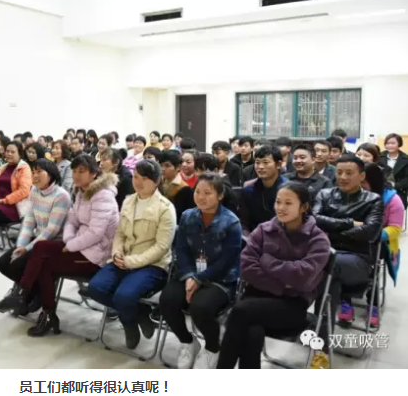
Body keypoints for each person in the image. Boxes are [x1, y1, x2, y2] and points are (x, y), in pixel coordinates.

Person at [0, 157, 119, 336]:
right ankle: (40, 309)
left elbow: (96, 233)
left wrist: (71, 245)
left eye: (81, 171)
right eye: (74, 171)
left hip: (96, 256)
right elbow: (72, 221)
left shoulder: (102, 196)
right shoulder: (81, 192)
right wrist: (69, 239)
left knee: (42, 256)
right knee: (40, 252)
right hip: (78, 247)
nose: (76, 175)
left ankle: (26, 298)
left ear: (94, 173)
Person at [218, 182, 331, 369]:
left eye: (288, 203)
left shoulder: (318, 239)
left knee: (239, 312)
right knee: (252, 332)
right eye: (278, 202)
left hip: (291, 305)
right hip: (257, 297)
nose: (281, 207)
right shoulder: (264, 229)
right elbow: (247, 267)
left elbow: (303, 276)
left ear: (303, 207)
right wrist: (282, 285)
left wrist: (268, 262)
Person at [88, 160, 176, 350]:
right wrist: (117, 253)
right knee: (95, 288)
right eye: (136, 177)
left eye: (144, 178)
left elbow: (161, 247)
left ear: (156, 181)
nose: (138, 182)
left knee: (124, 295)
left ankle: (129, 324)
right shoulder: (128, 201)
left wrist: (131, 262)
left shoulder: (165, 208)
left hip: (153, 265)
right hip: (123, 258)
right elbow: (120, 233)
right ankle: (139, 312)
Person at [160, 173, 243, 369]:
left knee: (200, 307)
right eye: (198, 191)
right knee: (167, 301)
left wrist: (199, 279)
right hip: (189, 273)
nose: (201, 197)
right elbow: (180, 250)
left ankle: (213, 348)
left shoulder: (231, 222)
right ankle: (188, 342)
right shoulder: (188, 216)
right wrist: (190, 276)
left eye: (208, 193)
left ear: (220, 195)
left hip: (220, 278)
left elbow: (227, 261)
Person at [312, 155, 384, 368]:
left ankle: (312, 331)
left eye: (349, 173)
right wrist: (351, 223)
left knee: (327, 266)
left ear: (361, 176)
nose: (342, 177)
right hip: (328, 257)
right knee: (330, 280)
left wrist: (332, 231)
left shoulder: (373, 200)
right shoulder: (325, 194)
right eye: (339, 172)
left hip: (358, 260)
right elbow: (314, 220)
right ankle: (322, 349)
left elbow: (369, 232)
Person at [0, 159, 72, 317]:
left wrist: (27, 248)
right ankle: (32, 293)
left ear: (51, 174)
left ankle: (23, 296)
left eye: (39, 172)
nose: (35, 176)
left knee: (20, 263)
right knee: (5, 262)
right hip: (38, 240)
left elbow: (52, 230)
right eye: (33, 172)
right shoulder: (34, 191)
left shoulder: (62, 196)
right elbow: (29, 222)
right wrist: (20, 246)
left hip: (55, 244)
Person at [360, 163, 403, 328]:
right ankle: (345, 301)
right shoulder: (353, 194)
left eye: (364, 182)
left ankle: (373, 304)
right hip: (355, 238)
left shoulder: (392, 199)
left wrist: (372, 234)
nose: (360, 185)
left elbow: (395, 228)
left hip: (380, 243)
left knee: (371, 265)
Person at [241, 145, 288, 233]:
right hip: (254, 236)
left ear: (278, 164)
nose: (260, 167)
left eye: (265, 162)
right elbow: (244, 222)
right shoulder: (248, 188)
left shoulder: (288, 190)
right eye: (257, 162)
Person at [160, 150, 194, 221]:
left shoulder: (184, 189)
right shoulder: (158, 183)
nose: (163, 169)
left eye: (167, 165)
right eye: (161, 165)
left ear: (178, 167)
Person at [380, 133, 408, 208]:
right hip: (381, 191)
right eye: (387, 143)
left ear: (399, 144)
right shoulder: (379, 156)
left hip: (399, 192)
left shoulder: (405, 159)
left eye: (393, 143)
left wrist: (394, 185)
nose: (390, 145)